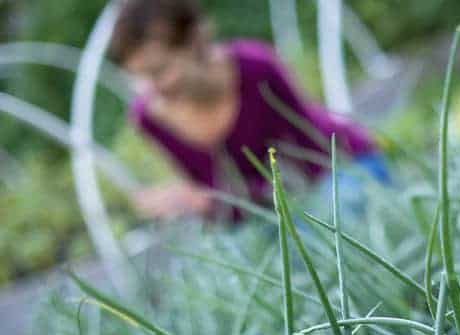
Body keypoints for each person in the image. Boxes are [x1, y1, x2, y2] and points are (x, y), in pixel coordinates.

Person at [110, 0, 389, 221]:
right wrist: (197, 201)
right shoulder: (150, 118)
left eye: (158, 71)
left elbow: (303, 167)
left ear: (195, 41)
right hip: (270, 211)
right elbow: (228, 207)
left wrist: (208, 200)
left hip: (335, 171)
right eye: (136, 77)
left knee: (336, 215)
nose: (150, 88)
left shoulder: (255, 68)